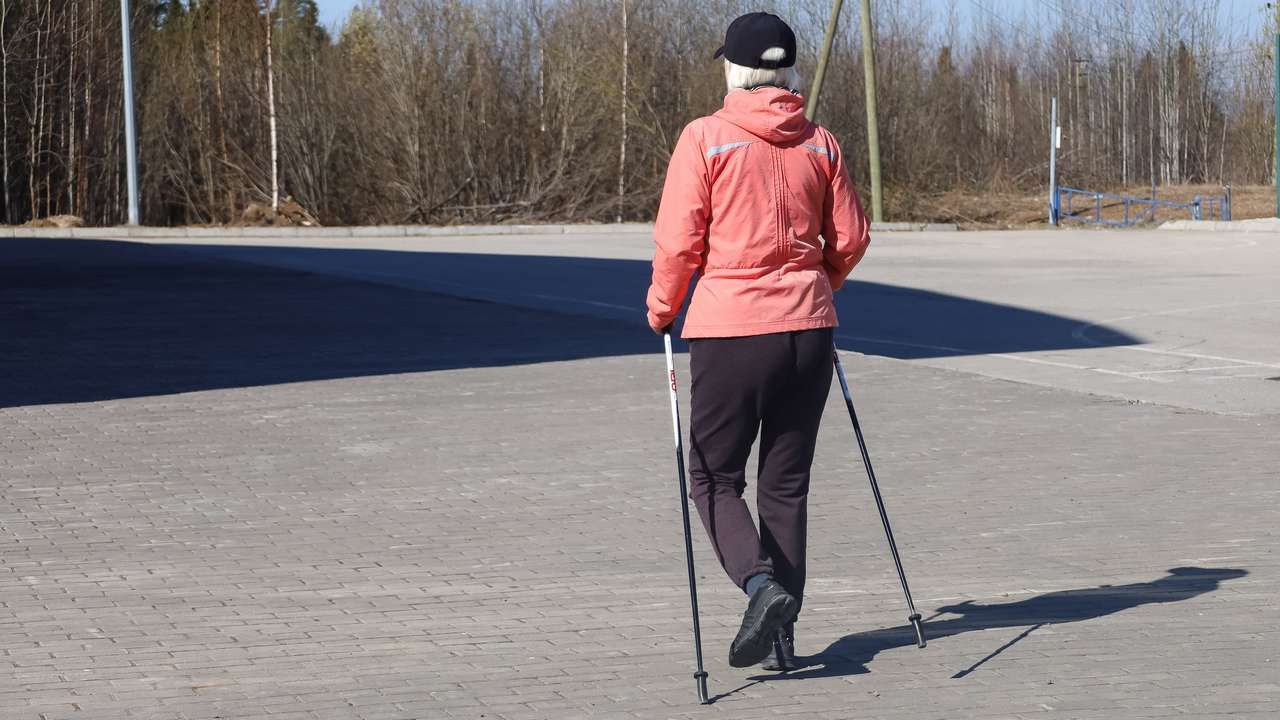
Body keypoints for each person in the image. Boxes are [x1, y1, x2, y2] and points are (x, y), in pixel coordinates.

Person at [645, 12, 871, 671]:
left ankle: (759, 586)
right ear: (787, 73)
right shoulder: (821, 143)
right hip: (808, 330)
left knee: (713, 476)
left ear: (736, 70)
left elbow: (679, 241)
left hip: (732, 332)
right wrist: (818, 281)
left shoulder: (705, 139)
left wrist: (662, 308)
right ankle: (781, 641)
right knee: (785, 483)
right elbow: (852, 237)